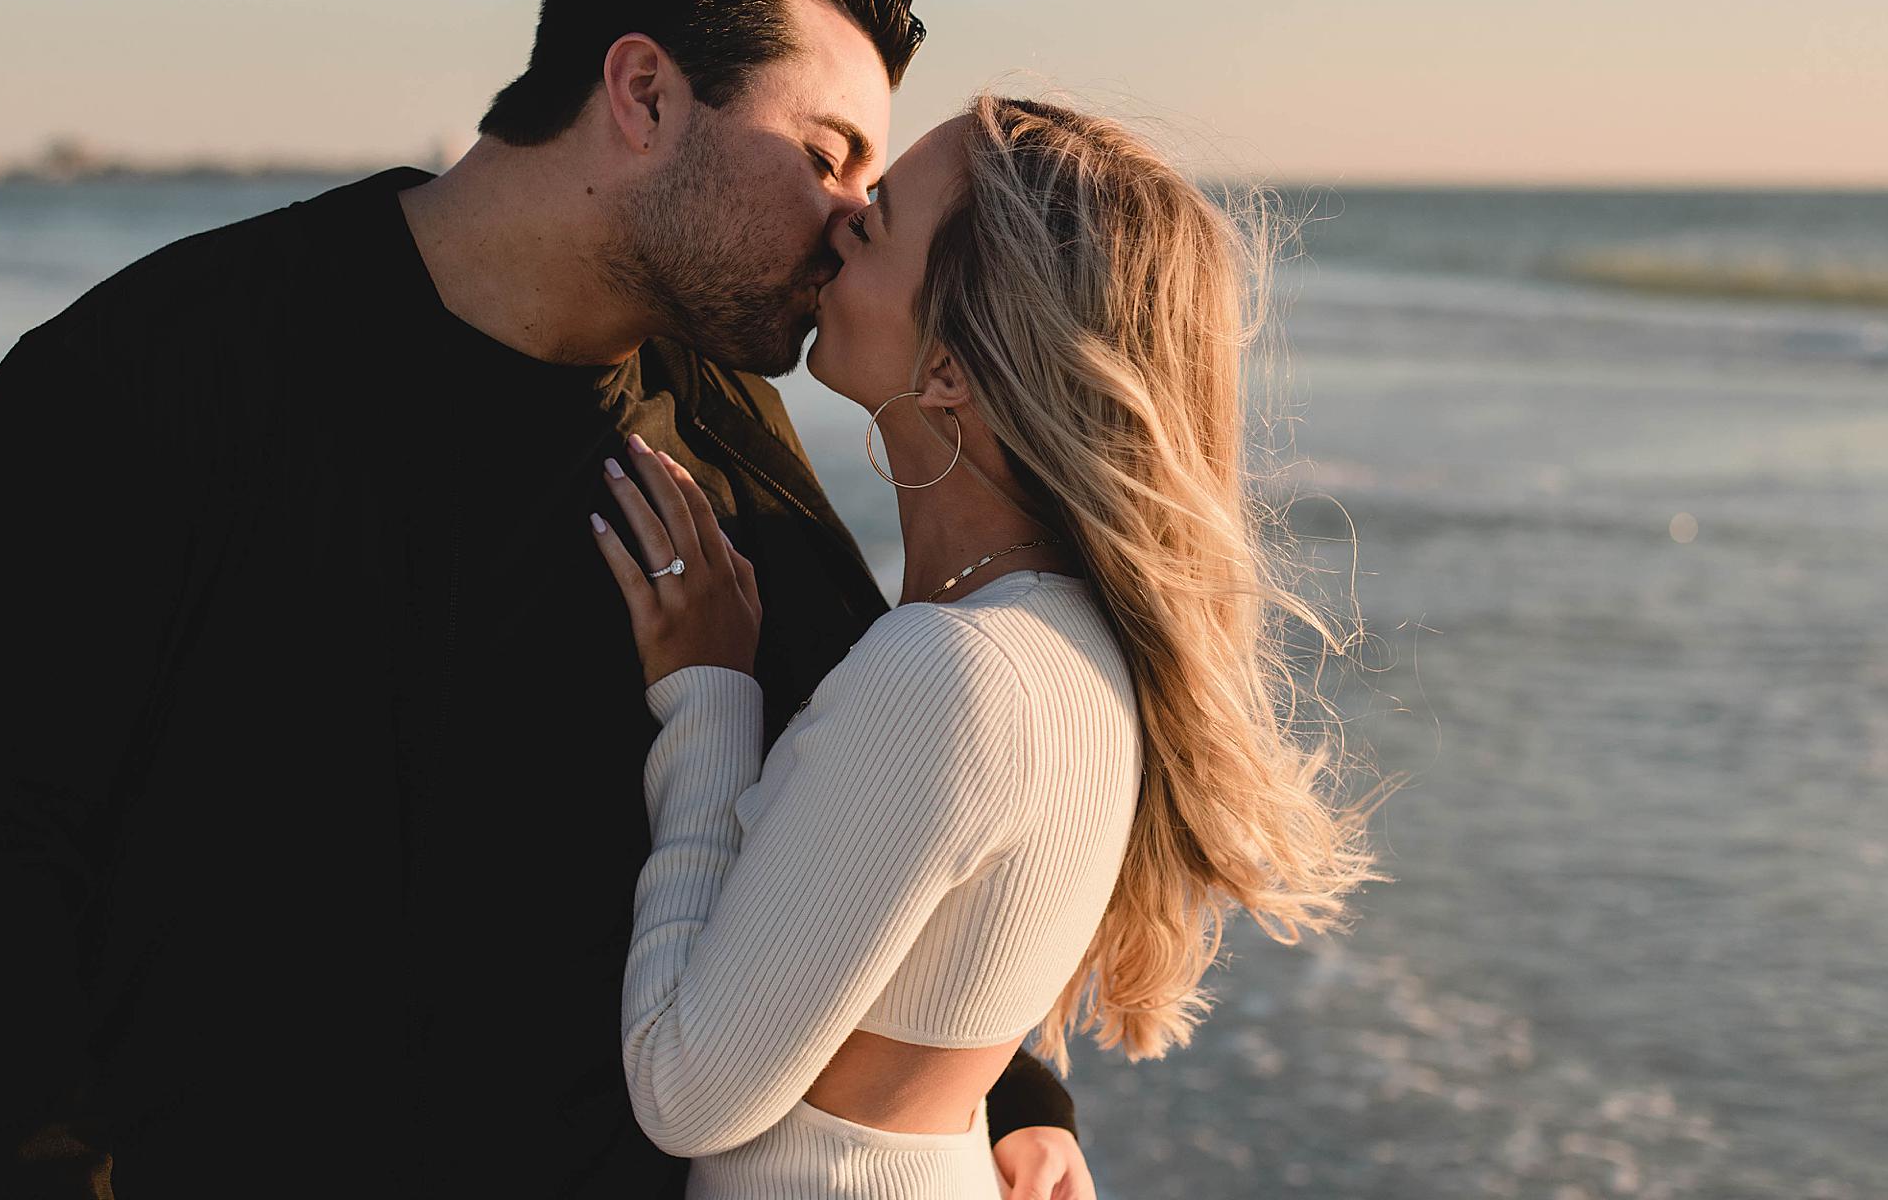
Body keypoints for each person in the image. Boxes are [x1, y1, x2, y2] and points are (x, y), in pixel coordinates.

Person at [0, 0, 1096, 1197]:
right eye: (827, 152)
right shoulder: (154, 372)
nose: (853, 217)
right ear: (644, 93)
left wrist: (1007, 1092)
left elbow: (862, 796)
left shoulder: (719, 415)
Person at [588, 94, 1394, 1197]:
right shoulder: (1074, 650)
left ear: (952, 367)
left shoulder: (949, 673)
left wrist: (707, 695)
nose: (836, 222)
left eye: (874, 226)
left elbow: (685, 1089)